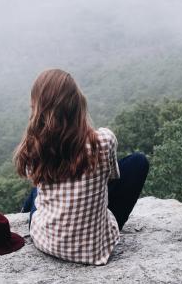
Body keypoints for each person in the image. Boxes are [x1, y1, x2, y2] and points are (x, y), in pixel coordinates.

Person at [14, 69, 149, 265]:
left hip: (46, 241)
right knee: (138, 162)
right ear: (78, 103)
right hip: (95, 250)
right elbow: (111, 179)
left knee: (37, 189)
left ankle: (24, 212)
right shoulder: (104, 140)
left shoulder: (34, 148)